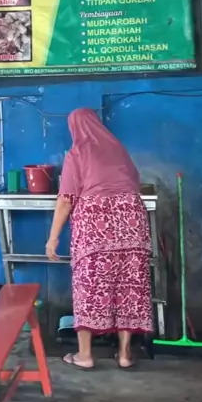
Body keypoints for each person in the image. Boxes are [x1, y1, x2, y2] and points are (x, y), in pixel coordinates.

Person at [46, 108, 152, 370]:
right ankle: (124, 354)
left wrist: (53, 238)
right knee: (130, 286)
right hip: (131, 221)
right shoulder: (119, 150)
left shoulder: (77, 152)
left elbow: (66, 200)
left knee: (89, 286)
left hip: (96, 225)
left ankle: (85, 355)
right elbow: (134, 183)